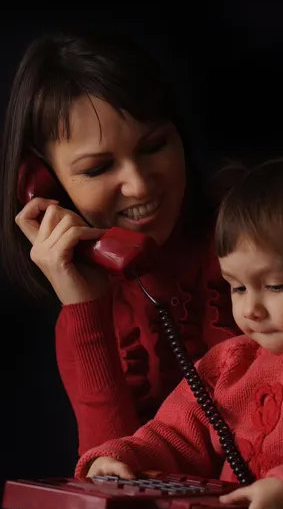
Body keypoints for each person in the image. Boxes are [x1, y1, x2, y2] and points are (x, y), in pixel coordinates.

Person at [76, 146, 283, 509]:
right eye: (237, 287)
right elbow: (174, 435)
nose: (250, 310)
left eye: (276, 286)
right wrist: (120, 458)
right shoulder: (228, 362)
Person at [0, 28, 240, 456]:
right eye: (97, 168)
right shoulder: (86, 316)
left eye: (154, 146)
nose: (139, 184)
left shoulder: (263, 224)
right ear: (45, 185)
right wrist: (84, 308)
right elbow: (108, 481)